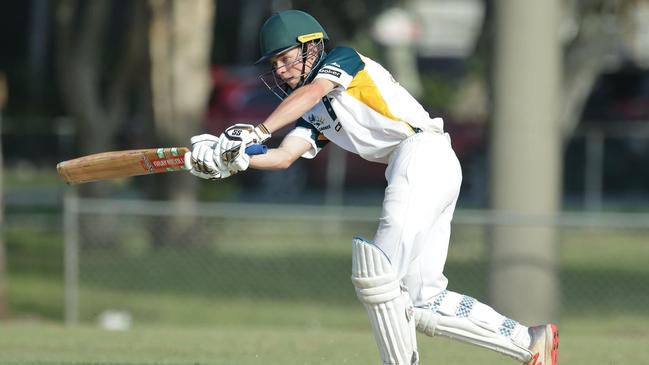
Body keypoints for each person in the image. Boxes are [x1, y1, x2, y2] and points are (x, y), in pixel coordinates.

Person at [184, 9, 559, 365]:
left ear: (311, 45)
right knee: (422, 300)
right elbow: (283, 156)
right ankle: (528, 341)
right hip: (427, 166)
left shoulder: (342, 61)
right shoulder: (317, 111)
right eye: (275, 64)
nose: (280, 70)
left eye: (285, 58)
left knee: (377, 275)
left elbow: (312, 94)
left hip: (422, 154)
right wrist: (231, 159)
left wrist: (256, 130)